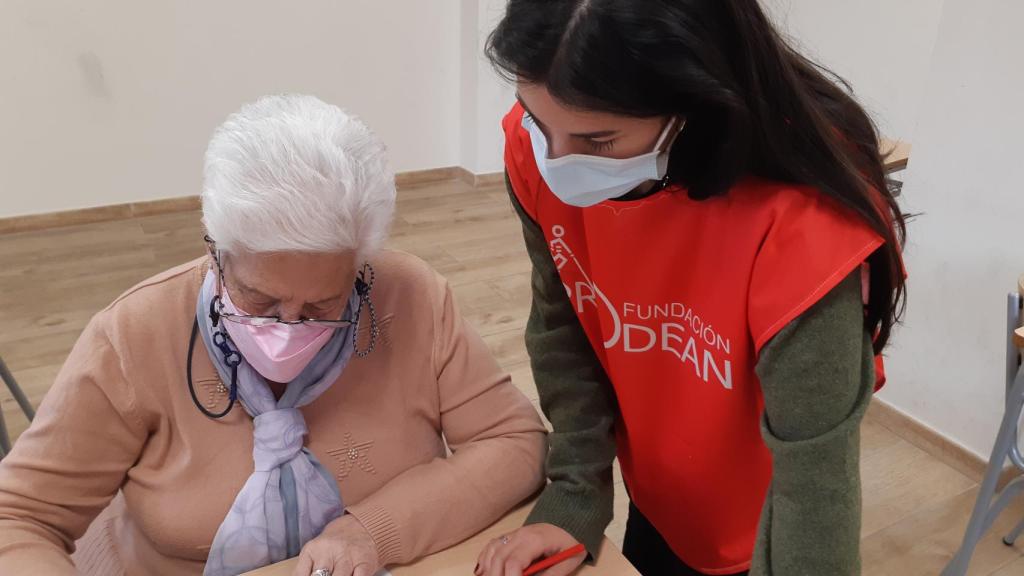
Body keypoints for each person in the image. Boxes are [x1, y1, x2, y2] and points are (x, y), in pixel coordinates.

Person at [0, 94, 547, 576]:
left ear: (360, 265)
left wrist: (368, 532)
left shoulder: (409, 298)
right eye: (259, 300)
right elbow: (18, 518)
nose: (288, 329)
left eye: (322, 305)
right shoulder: (132, 336)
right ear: (214, 251)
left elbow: (515, 443)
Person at [474, 1, 907, 575]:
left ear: (694, 102)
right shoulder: (539, 150)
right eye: (534, 119)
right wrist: (577, 492)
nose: (556, 162)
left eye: (599, 142)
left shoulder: (802, 225)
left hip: (764, 526)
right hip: (658, 494)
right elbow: (562, 325)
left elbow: (815, 473)